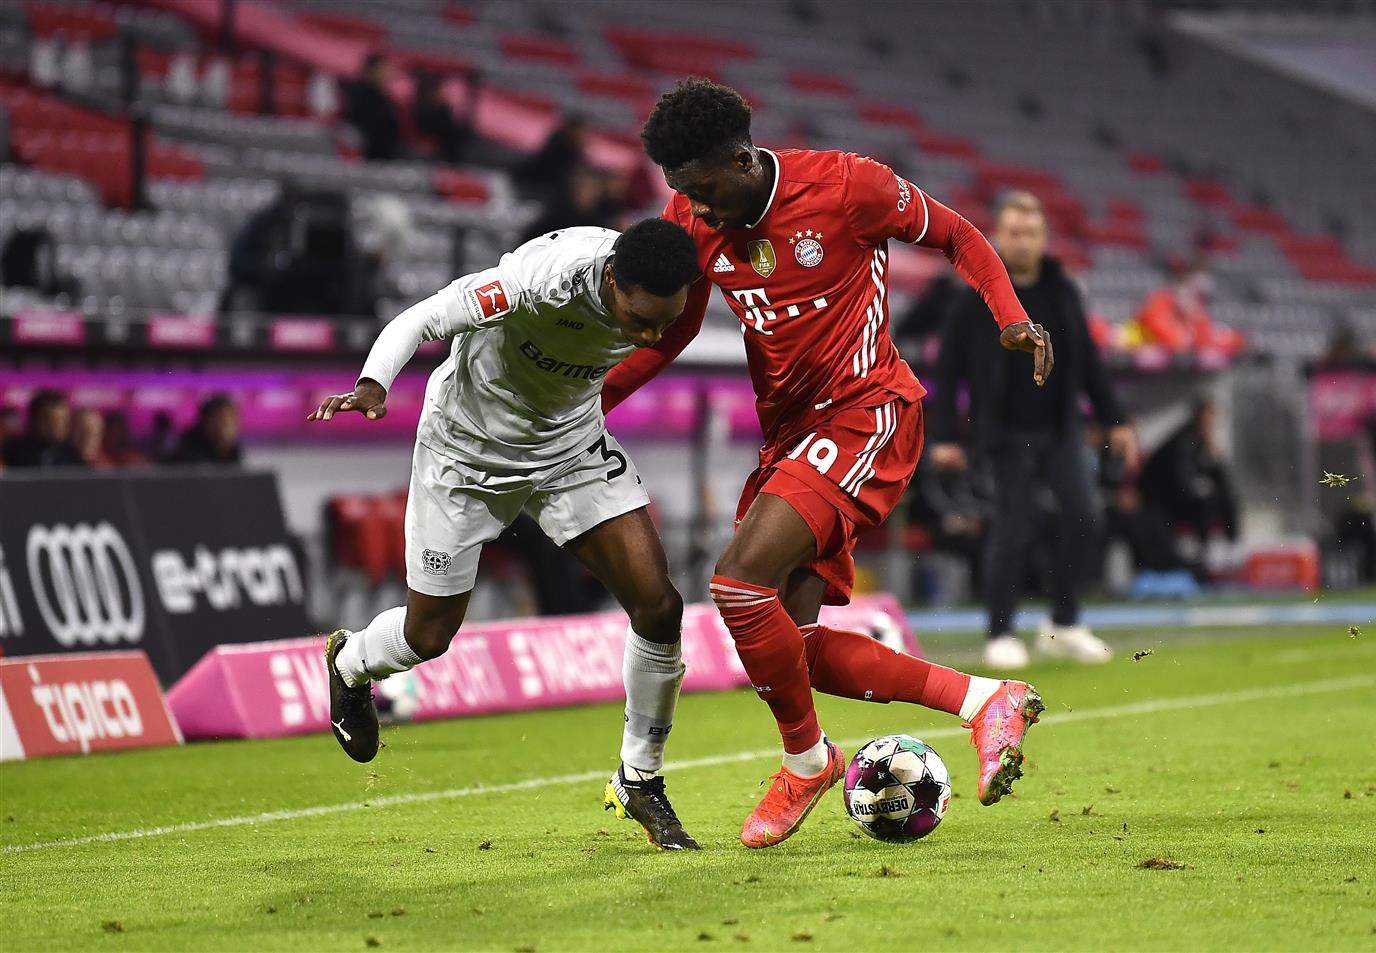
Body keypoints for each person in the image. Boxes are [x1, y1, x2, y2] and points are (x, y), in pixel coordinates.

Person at [602, 79, 1052, 849]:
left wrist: (1009, 318)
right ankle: (986, 700)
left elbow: (958, 236)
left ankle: (806, 760)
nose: (698, 212)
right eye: (683, 195)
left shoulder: (848, 186)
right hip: (792, 441)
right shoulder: (692, 216)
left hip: (868, 412)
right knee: (793, 645)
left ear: (743, 159)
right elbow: (671, 332)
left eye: (705, 191)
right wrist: (595, 399)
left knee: (738, 582)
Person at [309, 219, 704, 851]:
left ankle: (640, 778)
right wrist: (372, 384)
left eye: (665, 322)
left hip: (569, 446)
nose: (651, 336)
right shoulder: (538, 282)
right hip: (464, 452)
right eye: (639, 320)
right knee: (428, 635)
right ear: (609, 280)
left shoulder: (662, 282)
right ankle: (351, 662)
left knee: (659, 605)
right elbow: (420, 319)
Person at [930, 191, 1137, 669]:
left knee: (1086, 516)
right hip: (1004, 434)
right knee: (1013, 528)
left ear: (1044, 239)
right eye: (1014, 232)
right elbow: (947, 372)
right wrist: (944, 436)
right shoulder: (974, 295)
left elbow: (1088, 361)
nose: (1023, 242)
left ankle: (1064, 624)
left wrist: (1116, 419)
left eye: (1031, 233)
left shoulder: (1063, 292)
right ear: (999, 236)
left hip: (1060, 429)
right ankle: (1000, 632)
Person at [1138, 397, 1239, 577]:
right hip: (1162, 502)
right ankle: (1206, 553)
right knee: (1206, 501)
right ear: (1197, 417)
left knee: (1228, 499)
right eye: (1207, 418)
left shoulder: (1203, 442)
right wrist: (1203, 487)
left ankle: (1232, 548)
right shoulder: (1183, 440)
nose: (1210, 423)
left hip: (1183, 498)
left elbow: (1222, 483)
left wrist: (1215, 460)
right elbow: (1181, 480)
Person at [2, 390, 84, 469]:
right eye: (51, 421)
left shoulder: (71, 453)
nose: (58, 427)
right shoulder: (13, 450)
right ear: (34, 420)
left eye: (63, 420)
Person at [344, 52, 400, 161]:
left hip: (384, 156)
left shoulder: (382, 96)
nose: (389, 73)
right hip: (367, 157)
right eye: (384, 69)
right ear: (372, 70)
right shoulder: (360, 94)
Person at [167, 394, 242, 465]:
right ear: (205, 422)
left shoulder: (238, 454)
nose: (226, 426)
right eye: (219, 419)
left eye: (230, 420)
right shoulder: (186, 456)